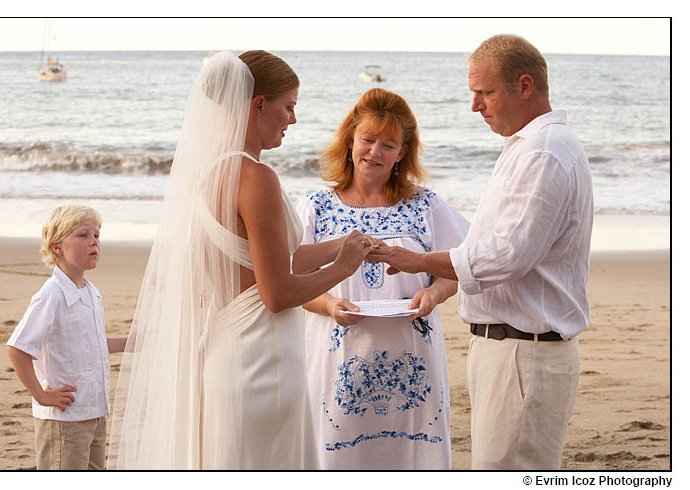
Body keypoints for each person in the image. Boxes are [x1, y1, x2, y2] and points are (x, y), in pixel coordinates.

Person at [107, 50, 373, 470]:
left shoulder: (208, 172)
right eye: (289, 107)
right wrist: (342, 270)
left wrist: (341, 246)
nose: (293, 119)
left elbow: (265, 260)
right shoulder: (256, 177)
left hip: (227, 350)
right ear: (258, 104)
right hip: (263, 360)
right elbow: (276, 293)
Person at [367, 35, 594, 470]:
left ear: (524, 86)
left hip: (523, 353)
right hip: (511, 350)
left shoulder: (543, 152)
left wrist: (414, 260)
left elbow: (505, 256)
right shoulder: (527, 147)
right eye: (473, 93)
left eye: (485, 92)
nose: (475, 106)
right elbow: (492, 245)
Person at [294, 88, 469, 469]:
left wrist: (434, 295)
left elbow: (459, 266)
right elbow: (292, 283)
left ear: (403, 152)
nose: (374, 152)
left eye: (388, 145)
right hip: (338, 356)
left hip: (413, 358)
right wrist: (328, 304)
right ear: (350, 141)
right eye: (367, 140)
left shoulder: (426, 205)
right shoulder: (315, 208)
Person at [6, 205, 127, 470]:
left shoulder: (91, 292)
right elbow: (18, 348)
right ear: (57, 246)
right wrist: (41, 395)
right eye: (83, 235)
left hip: (95, 412)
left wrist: (131, 343)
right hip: (64, 420)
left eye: (96, 235)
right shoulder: (52, 295)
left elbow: (91, 345)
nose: (93, 242)